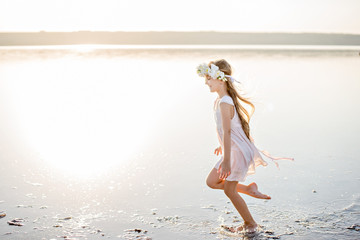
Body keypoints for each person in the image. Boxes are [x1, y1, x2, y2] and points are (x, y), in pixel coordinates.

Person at [196, 59, 294, 233]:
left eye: (208, 78)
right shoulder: (219, 101)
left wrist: (226, 160)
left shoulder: (225, 102)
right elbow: (227, 131)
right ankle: (249, 189)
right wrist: (221, 147)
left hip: (236, 152)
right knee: (212, 182)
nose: (206, 82)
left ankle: (250, 224)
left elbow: (227, 132)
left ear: (220, 79)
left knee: (229, 190)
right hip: (232, 149)